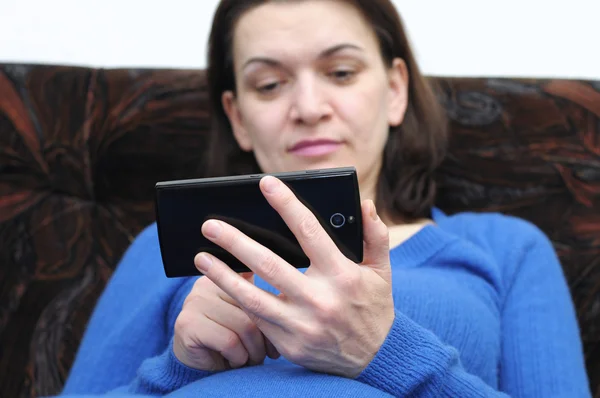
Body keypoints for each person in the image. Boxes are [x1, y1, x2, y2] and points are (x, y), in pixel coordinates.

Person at [60, 0, 592, 397]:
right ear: (239, 117)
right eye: (269, 85)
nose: (309, 107)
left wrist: (386, 352)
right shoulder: (174, 243)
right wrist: (175, 370)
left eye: (340, 72)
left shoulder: (504, 247)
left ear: (396, 89)